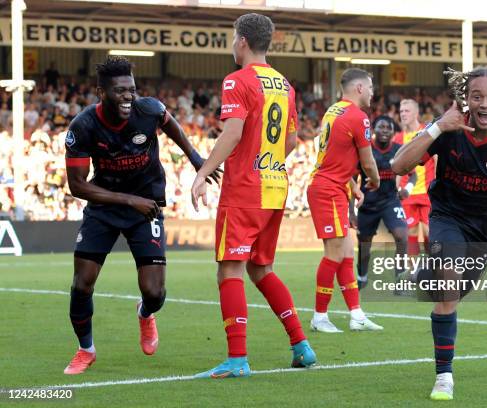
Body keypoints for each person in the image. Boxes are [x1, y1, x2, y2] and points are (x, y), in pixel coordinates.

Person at [63, 56, 217, 375]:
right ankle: (85, 349)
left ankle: (145, 314)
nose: (128, 96)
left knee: (155, 292)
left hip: (145, 206)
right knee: (82, 284)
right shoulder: (83, 126)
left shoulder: (148, 109)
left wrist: (195, 158)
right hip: (105, 207)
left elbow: (170, 123)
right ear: (101, 92)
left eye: (132, 89)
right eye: (120, 91)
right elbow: (77, 186)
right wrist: (128, 200)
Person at [391, 65, 487, 400]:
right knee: (449, 287)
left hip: (485, 232)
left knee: (447, 290)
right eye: (476, 96)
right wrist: (439, 126)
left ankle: (425, 274)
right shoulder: (449, 130)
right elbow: (398, 165)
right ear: (465, 99)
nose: (484, 103)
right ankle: (444, 376)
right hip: (447, 217)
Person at [191, 13, 316, 379]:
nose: (233, 44)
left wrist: (202, 171)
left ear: (242, 41)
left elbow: (232, 133)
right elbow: (292, 140)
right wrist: (269, 164)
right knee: (261, 269)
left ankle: (237, 358)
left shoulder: (237, 81)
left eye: (233, 38)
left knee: (229, 269)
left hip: (245, 188)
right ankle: (301, 346)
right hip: (276, 187)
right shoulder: (285, 85)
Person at [307, 68, 383, 333]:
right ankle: (319, 316)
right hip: (327, 190)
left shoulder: (333, 111)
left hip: (335, 186)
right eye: (371, 87)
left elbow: (334, 157)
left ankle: (357, 315)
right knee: (335, 253)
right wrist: (374, 180)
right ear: (359, 88)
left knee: (347, 253)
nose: (373, 93)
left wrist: (352, 185)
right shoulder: (357, 117)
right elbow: (368, 161)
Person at [351, 115, 407, 290]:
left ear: (393, 132)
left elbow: (412, 172)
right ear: (373, 130)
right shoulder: (364, 151)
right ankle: (362, 276)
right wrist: (351, 212)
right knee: (364, 245)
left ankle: (400, 279)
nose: (384, 130)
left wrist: (408, 189)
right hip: (368, 205)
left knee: (401, 236)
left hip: (391, 201)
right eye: (381, 127)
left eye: (388, 127)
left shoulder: (399, 149)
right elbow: (352, 180)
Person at [393, 99, 434, 256]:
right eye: (401, 111)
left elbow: (436, 159)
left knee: (430, 234)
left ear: (416, 113)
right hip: (407, 195)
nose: (403, 114)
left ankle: (433, 268)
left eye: (407, 111)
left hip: (427, 193)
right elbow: (396, 168)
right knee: (410, 234)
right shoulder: (397, 138)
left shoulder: (428, 132)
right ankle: (413, 272)